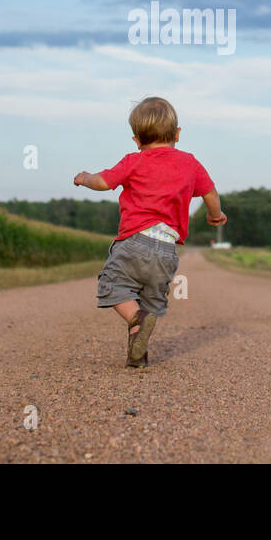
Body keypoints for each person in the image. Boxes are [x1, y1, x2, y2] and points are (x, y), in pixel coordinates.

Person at [74, 96, 225, 367]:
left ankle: (137, 321)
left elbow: (104, 182)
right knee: (149, 301)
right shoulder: (190, 162)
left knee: (114, 285)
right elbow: (210, 193)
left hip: (134, 240)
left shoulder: (134, 160)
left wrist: (85, 178)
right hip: (167, 249)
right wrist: (216, 215)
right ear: (177, 134)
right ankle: (138, 352)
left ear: (136, 140)